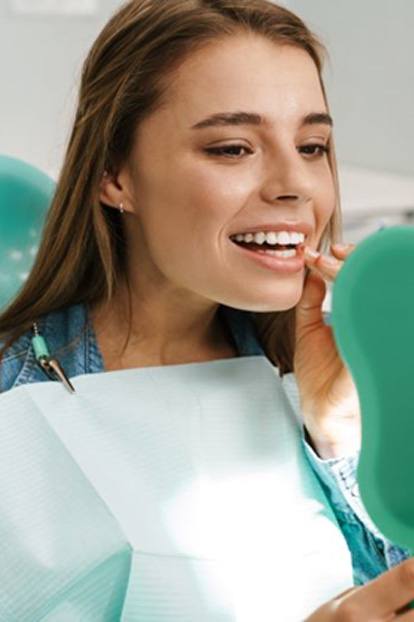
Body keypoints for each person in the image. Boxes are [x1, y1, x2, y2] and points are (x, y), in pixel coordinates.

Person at [1, 0, 414, 618]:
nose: (294, 185)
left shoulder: (328, 386)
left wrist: (336, 435)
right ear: (115, 174)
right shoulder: (18, 399)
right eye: (232, 148)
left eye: (311, 145)